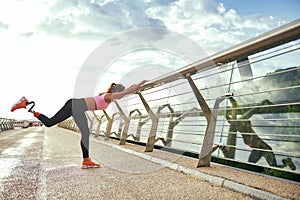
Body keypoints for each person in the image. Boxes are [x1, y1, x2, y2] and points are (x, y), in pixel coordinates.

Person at [11, 80, 147, 169]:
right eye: (120, 94)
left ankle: (86, 160)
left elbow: (127, 91)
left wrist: (133, 86)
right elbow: (127, 92)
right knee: (50, 123)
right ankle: (27, 105)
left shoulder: (108, 97)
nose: (122, 97)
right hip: (75, 106)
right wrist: (140, 83)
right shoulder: (108, 97)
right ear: (116, 92)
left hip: (77, 107)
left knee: (85, 133)